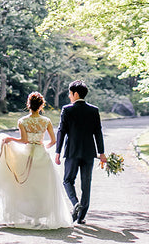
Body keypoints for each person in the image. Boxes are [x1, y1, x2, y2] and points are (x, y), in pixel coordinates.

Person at [0, 91, 73, 229]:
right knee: (42, 186)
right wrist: (43, 147)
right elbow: (53, 141)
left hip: (27, 155)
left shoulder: (23, 121)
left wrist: (10, 139)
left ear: (28, 105)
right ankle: (37, 217)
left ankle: (28, 215)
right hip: (42, 155)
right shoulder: (46, 121)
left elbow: (24, 140)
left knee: (27, 185)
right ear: (41, 105)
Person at [54, 80, 106, 225]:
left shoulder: (67, 110)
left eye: (70, 94)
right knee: (86, 183)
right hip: (89, 153)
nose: (69, 96)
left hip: (72, 151)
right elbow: (98, 132)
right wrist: (101, 152)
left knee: (67, 180)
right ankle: (81, 216)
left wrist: (57, 152)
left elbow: (61, 131)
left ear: (76, 94)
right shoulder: (94, 110)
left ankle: (75, 203)